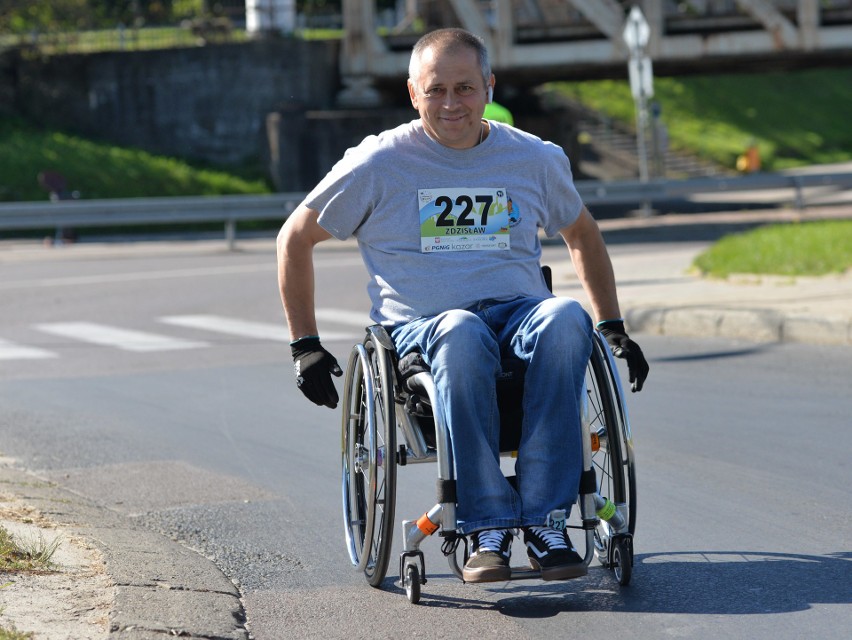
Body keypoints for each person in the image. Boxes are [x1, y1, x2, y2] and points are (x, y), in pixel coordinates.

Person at [277, 28, 649, 584]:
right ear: (413, 93)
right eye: (436, 90)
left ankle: (546, 520)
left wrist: (612, 326)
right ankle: (487, 524)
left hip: (518, 315)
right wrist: (305, 345)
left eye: (465, 88)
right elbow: (295, 237)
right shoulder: (379, 163)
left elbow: (583, 236)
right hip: (425, 329)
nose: (452, 103)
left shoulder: (532, 158)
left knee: (568, 317)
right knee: (461, 329)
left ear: (489, 87)